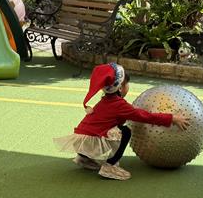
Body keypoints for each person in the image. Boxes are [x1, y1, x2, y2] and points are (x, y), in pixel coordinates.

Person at [55, 63, 190, 180]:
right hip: (91, 139)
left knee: (113, 129)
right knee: (125, 131)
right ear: (120, 87)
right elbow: (145, 116)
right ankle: (110, 165)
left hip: (81, 139)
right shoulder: (120, 105)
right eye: (127, 84)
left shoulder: (104, 101)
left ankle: (83, 158)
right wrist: (172, 118)